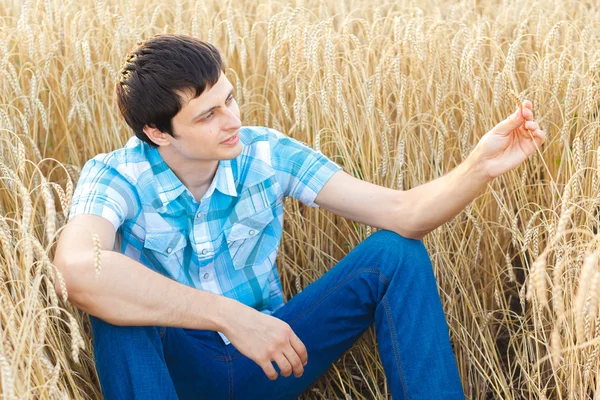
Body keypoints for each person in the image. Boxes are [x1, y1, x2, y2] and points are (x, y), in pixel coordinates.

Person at [53, 34, 546, 400]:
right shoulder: (114, 175)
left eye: (229, 98)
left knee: (395, 253)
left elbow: (405, 212)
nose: (233, 120)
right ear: (158, 133)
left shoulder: (265, 153)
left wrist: (479, 166)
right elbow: (79, 268)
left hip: (272, 359)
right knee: (117, 302)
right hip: (177, 375)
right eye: (207, 115)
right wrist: (230, 316)